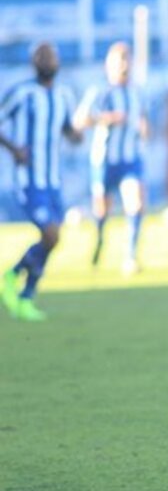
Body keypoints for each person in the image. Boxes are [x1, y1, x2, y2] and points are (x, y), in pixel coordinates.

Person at [0, 43, 82, 321]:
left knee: (52, 239)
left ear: (58, 62)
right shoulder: (22, 94)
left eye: (52, 56)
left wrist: (77, 135)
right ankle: (11, 276)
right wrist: (14, 149)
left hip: (53, 181)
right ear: (35, 63)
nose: (48, 60)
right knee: (50, 234)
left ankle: (25, 296)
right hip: (28, 180)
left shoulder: (62, 96)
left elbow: (69, 129)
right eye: (42, 56)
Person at [76, 42, 149, 275]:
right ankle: (99, 238)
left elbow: (143, 121)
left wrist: (144, 128)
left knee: (136, 201)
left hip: (130, 158)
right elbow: (80, 121)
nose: (124, 66)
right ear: (110, 66)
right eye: (120, 61)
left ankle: (130, 256)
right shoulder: (100, 91)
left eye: (127, 60)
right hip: (104, 160)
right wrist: (106, 118)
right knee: (102, 209)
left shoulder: (137, 92)